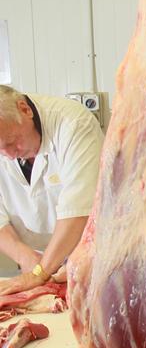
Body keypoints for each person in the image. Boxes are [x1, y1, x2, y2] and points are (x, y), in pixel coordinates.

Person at [0, 85, 103, 294]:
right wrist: (25, 257)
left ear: (25, 109)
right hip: (36, 264)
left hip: (87, 259)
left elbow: (78, 211)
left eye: (12, 142)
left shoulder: (73, 124)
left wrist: (40, 272)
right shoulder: (6, 142)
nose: (10, 155)